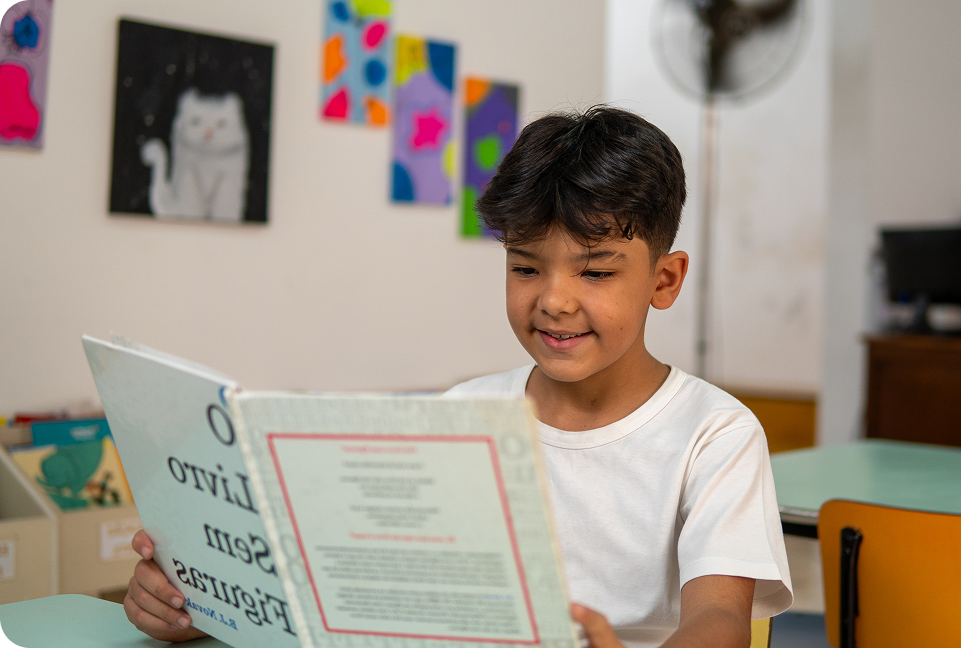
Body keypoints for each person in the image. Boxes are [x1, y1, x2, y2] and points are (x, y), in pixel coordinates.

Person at [123, 106, 792, 648]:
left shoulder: (715, 435)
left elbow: (719, 621)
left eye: (594, 271)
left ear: (663, 280)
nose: (553, 300)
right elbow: (365, 595)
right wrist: (196, 603)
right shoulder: (460, 414)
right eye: (526, 267)